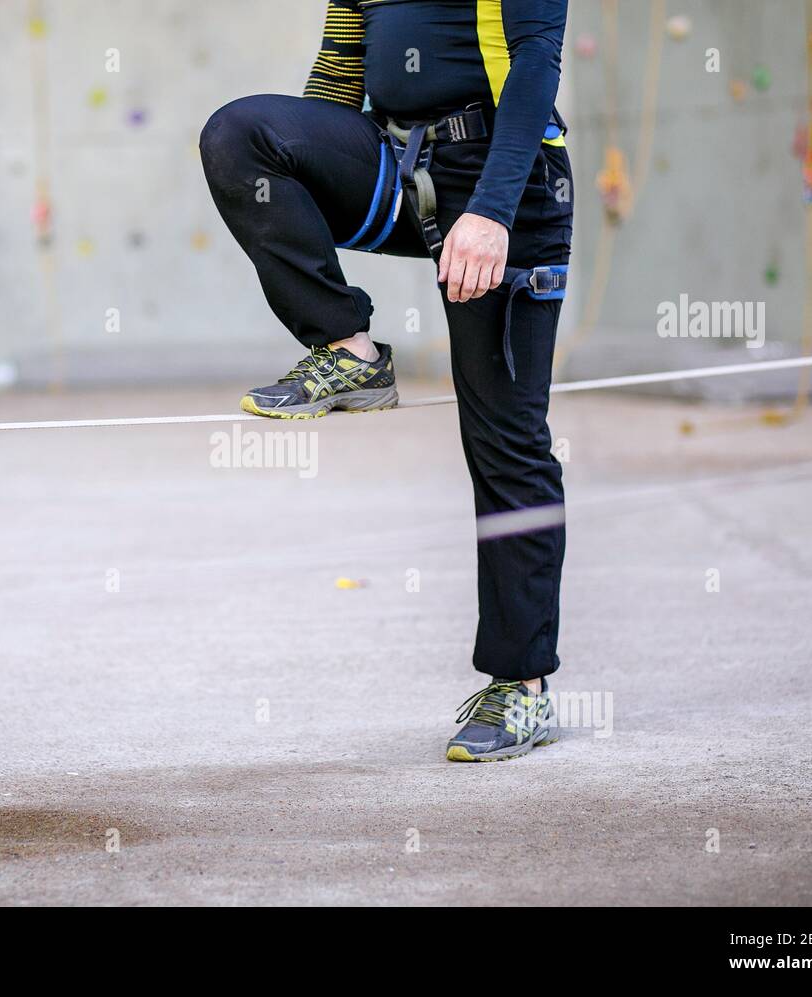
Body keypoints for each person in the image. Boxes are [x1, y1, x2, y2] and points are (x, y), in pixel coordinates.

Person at [199, 0, 573, 762]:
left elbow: (535, 59)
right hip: (405, 169)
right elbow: (339, 74)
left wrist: (494, 213)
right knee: (242, 134)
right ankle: (349, 350)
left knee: (505, 442)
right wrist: (310, 164)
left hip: (509, 175)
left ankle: (521, 686)